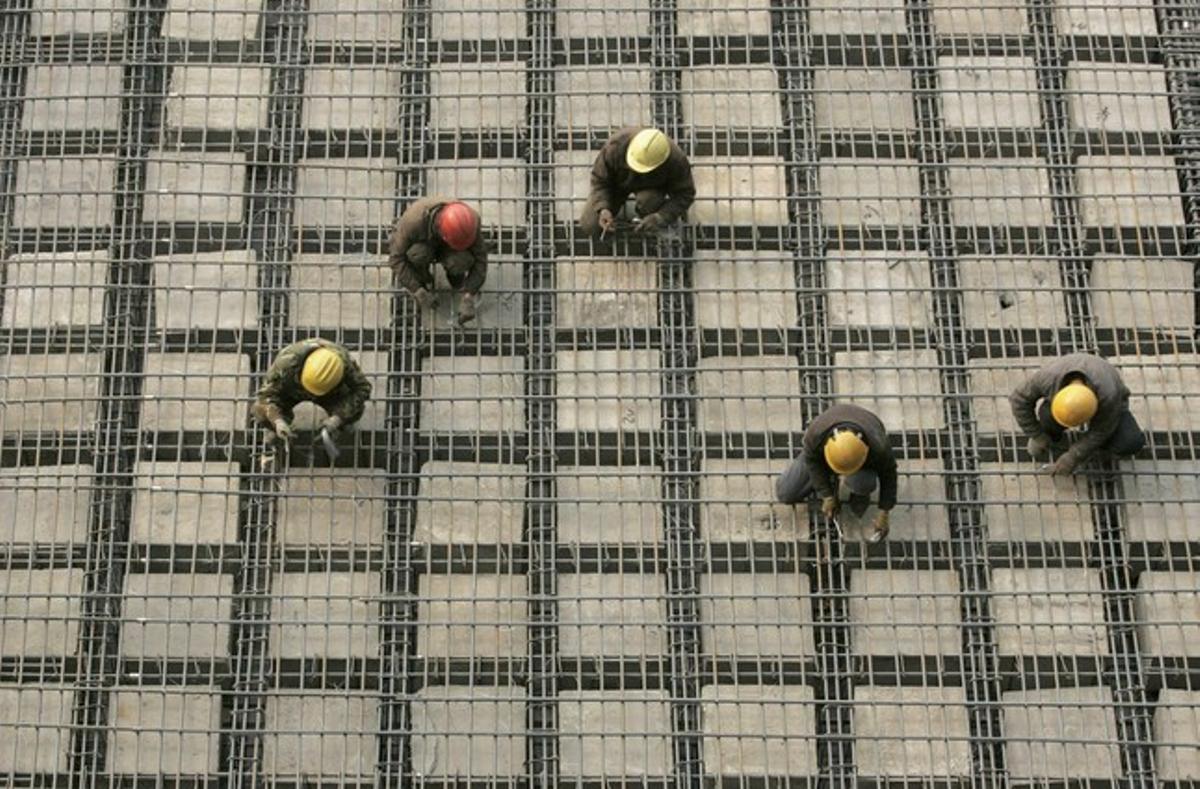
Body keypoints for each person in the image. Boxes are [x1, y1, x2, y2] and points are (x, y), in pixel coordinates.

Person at [776, 403, 898, 543]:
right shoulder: (816, 433)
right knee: (786, 492)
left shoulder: (878, 445)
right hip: (824, 451)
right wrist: (826, 495)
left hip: (860, 453)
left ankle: (859, 493)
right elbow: (813, 462)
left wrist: (885, 510)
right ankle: (832, 480)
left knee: (863, 482)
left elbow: (889, 475)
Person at [1010, 352, 1145, 475]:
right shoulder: (1048, 378)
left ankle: (1098, 452)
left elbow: (1101, 430)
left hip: (1110, 404)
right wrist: (1036, 434)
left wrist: (1074, 456)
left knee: (1130, 442)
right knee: (1047, 417)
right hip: (1067, 388)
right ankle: (1050, 436)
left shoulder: (1108, 395)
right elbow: (1018, 399)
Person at [250, 338, 372, 455]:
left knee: (355, 410)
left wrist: (338, 417)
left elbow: (363, 389)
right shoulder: (287, 362)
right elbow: (265, 396)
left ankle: (335, 430)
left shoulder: (345, 363)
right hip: (292, 388)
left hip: (329, 393)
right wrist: (277, 420)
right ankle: (275, 435)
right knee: (259, 410)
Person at [579, 126, 696, 238]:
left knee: (650, 201)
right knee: (590, 224)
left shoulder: (676, 159)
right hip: (617, 184)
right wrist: (603, 208)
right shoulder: (616, 145)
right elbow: (600, 179)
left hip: (652, 187)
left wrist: (660, 217)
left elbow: (685, 194)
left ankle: (646, 219)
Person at [388, 197, 488, 325]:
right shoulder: (413, 222)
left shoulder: (470, 222)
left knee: (461, 260)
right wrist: (417, 289)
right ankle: (423, 279)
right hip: (425, 241)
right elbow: (395, 259)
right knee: (417, 254)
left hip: (448, 243)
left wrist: (469, 294)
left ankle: (456, 279)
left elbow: (481, 259)